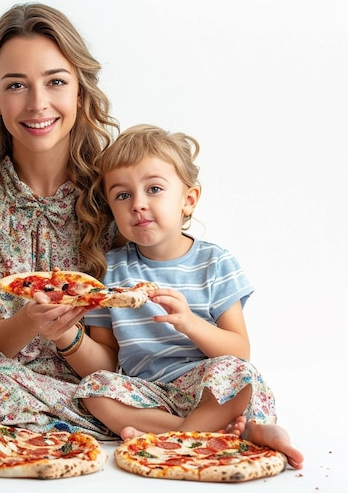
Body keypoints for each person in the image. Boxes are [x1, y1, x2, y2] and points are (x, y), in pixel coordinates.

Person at [71, 123, 303, 469]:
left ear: (188, 199)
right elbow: (107, 359)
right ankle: (218, 435)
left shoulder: (215, 262)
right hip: (150, 395)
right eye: (123, 195)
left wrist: (191, 324)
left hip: (212, 392)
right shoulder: (108, 273)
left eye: (154, 189)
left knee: (236, 374)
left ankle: (179, 438)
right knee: (93, 388)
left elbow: (239, 351)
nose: (138, 204)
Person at [0, 2, 121, 440]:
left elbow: (121, 358)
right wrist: (33, 321)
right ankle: (99, 427)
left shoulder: (117, 189)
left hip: (100, 383)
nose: (38, 104)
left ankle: (60, 424)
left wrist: (67, 338)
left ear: (80, 90)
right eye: (16, 85)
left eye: (55, 82)